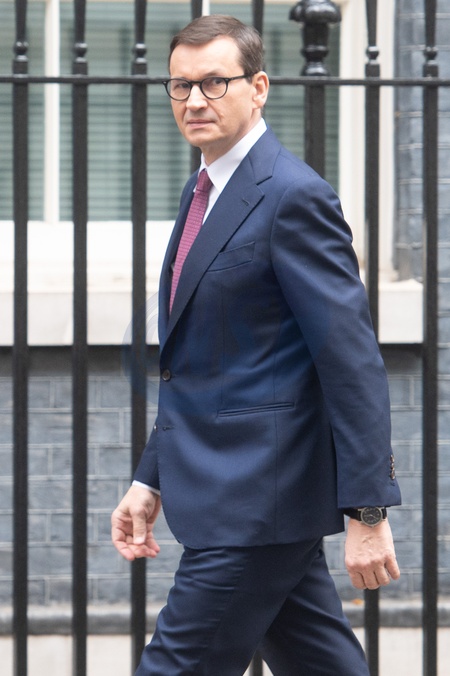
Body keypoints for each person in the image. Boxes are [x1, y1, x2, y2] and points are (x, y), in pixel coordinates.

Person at [111, 14, 401, 675]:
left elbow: (351, 361)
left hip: (252, 504)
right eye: (180, 85)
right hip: (246, 498)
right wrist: (150, 476)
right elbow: (202, 365)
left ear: (259, 87)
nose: (194, 100)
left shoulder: (293, 196)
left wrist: (367, 509)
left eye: (214, 83)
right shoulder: (203, 191)